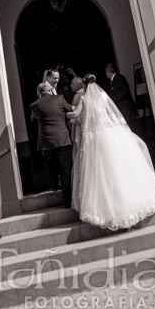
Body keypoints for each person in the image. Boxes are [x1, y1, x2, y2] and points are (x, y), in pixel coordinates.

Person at [69, 73, 155, 230]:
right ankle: (132, 208)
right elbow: (113, 115)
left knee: (102, 175)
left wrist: (66, 112)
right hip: (111, 133)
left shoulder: (84, 100)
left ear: (84, 86)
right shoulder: (104, 97)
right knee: (122, 169)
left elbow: (76, 115)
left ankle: (112, 213)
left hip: (96, 137)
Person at [30, 82, 73, 208]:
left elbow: (33, 119)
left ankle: (53, 188)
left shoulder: (35, 105)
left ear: (39, 93)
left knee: (52, 170)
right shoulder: (59, 98)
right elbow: (70, 108)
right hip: (63, 139)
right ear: (51, 90)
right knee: (66, 172)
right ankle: (68, 201)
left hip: (47, 143)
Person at [69, 76, 86, 211]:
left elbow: (76, 117)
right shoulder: (88, 95)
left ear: (78, 85)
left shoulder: (77, 97)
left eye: (72, 83)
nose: (70, 85)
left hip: (79, 131)